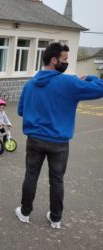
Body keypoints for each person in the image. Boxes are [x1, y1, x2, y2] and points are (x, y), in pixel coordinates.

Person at [15, 42, 103, 229]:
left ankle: (24, 212)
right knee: (57, 180)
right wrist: (90, 78)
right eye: (65, 60)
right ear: (54, 60)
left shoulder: (30, 84)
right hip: (59, 142)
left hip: (35, 140)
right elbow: (100, 88)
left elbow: (21, 111)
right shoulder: (69, 82)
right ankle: (55, 219)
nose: (67, 63)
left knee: (31, 176)